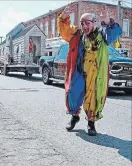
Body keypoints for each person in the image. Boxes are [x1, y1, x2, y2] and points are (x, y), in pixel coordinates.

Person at [58, 5, 122, 136]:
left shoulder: (102, 35)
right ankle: (74, 117)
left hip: (95, 73)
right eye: (82, 23)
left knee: (93, 97)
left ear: (94, 22)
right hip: (79, 72)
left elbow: (114, 34)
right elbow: (65, 31)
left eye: (87, 23)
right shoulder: (77, 35)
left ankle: (91, 123)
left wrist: (107, 20)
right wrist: (64, 17)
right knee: (73, 93)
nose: (84, 26)